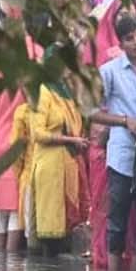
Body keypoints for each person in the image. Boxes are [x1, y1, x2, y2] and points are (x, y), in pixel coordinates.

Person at [89, 14, 136, 270]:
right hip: (121, 153)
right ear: (121, 44)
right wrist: (123, 121)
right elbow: (91, 111)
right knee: (117, 218)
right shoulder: (109, 72)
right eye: (129, 39)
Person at [8, 85, 86, 253]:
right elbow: (38, 134)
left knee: (63, 236)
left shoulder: (69, 96)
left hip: (68, 169)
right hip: (46, 171)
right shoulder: (42, 93)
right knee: (45, 238)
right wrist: (70, 140)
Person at [0, 86, 24, 250]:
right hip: (16, 143)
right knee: (14, 207)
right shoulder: (24, 83)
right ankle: (11, 258)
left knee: (0, 207)